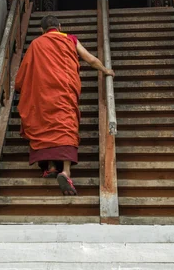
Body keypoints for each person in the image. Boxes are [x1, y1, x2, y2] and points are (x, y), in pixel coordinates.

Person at [15, 14, 114, 196]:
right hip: (64, 93)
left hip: (43, 95)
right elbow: (90, 59)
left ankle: (51, 166)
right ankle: (66, 172)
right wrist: (105, 70)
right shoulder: (70, 39)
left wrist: (21, 87)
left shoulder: (36, 44)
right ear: (59, 26)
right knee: (66, 126)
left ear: (41, 30)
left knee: (44, 125)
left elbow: (24, 71)